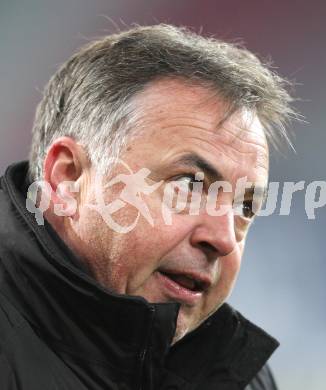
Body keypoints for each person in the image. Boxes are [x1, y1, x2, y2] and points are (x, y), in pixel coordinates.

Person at [0, 24, 295, 389]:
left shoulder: (240, 379)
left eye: (245, 207)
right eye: (189, 184)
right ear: (68, 178)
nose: (223, 240)